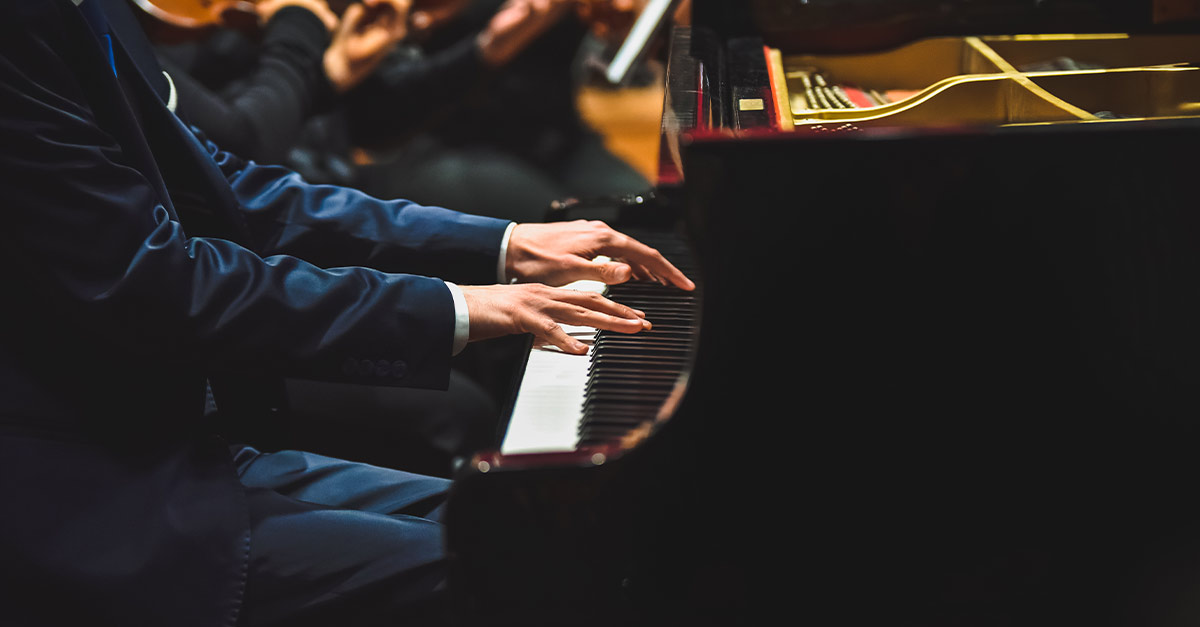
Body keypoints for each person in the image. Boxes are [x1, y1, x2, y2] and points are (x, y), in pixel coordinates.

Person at [0, 1, 693, 626]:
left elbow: (226, 185)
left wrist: (498, 245)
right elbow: (161, 283)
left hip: (178, 445)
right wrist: (454, 305)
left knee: (571, 531)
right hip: (95, 497)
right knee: (543, 568)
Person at [149, 0, 653, 222]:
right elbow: (374, 118)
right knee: (584, 238)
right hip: (426, 154)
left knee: (647, 210)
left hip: (558, 136)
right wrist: (483, 52)